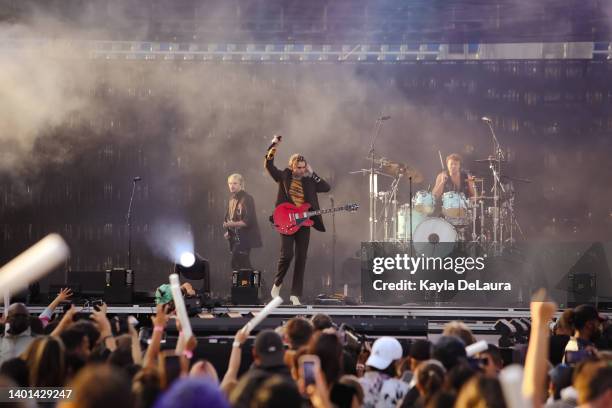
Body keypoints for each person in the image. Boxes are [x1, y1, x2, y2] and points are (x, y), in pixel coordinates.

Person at [264, 135, 331, 305]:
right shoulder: (283, 177)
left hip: (304, 222)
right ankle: (277, 284)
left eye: (303, 167)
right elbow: (268, 165)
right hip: (286, 220)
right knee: (287, 254)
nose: (301, 170)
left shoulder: (309, 181)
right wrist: (274, 145)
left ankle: (295, 295)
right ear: (292, 167)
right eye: (298, 167)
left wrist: (312, 172)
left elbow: (326, 187)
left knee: (302, 257)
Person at [223, 173, 262, 270]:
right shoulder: (231, 199)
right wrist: (229, 231)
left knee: (238, 264)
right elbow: (231, 217)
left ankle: (257, 284)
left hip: (245, 238)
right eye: (230, 183)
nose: (231, 186)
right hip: (236, 238)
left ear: (241, 184)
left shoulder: (247, 198)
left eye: (235, 183)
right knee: (242, 265)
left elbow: (247, 221)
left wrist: (231, 224)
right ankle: (255, 284)